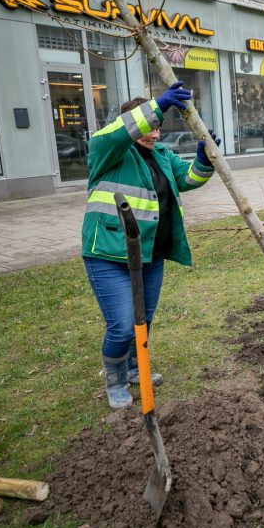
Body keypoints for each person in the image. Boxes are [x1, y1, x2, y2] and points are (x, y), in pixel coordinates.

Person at [81, 81, 220, 409]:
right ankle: (114, 379)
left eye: (158, 128)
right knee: (123, 324)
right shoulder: (108, 150)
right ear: (132, 125)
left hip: (150, 254)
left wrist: (205, 160)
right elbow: (118, 132)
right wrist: (159, 104)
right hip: (108, 254)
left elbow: (187, 180)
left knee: (144, 319)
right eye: (149, 127)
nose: (154, 134)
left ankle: (132, 368)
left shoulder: (161, 154)